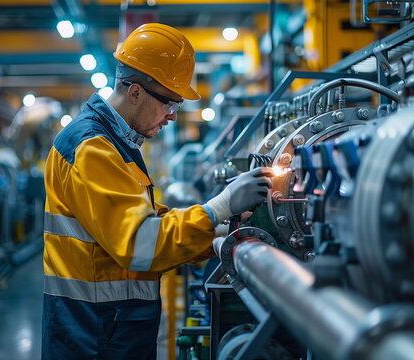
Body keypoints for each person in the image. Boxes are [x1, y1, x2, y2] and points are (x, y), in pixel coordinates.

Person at [42, 23, 274, 360]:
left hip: (109, 330)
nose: (171, 116)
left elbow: (142, 219)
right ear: (135, 92)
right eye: (169, 104)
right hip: (92, 338)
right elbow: (139, 243)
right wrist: (218, 208)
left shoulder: (114, 142)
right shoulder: (92, 149)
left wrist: (216, 232)